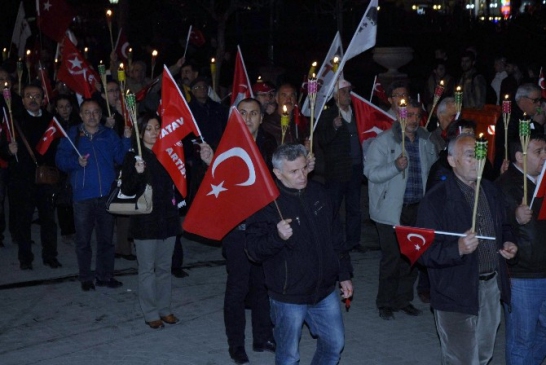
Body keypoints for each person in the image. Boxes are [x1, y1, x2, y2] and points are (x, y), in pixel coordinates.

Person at [246, 143, 353, 365]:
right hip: (289, 296)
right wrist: (277, 237)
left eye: (304, 168)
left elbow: (336, 237)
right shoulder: (266, 204)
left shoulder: (319, 193)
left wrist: (344, 273)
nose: (302, 176)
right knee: (288, 356)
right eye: (294, 171)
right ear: (277, 173)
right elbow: (253, 251)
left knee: (334, 344)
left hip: (324, 290)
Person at [416, 133, 517, 365]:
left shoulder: (491, 191)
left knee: (483, 355)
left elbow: (504, 227)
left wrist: (508, 244)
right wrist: (458, 248)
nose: (478, 161)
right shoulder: (436, 200)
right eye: (471, 156)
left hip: (490, 287)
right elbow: (424, 253)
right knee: (461, 360)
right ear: (452, 160)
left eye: (480, 155)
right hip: (455, 291)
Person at [199, 98, 277, 364]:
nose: (248, 118)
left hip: (263, 227)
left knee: (262, 286)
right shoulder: (226, 145)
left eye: (253, 113)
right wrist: (211, 163)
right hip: (237, 230)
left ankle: (262, 337)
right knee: (237, 289)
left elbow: (279, 178)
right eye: (242, 113)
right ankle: (236, 345)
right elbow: (219, 187)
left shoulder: (269, 144)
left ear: (261, 118)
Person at [364, 98, 437, 320]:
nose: (413, 120)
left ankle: (403, 299)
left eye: (417, 115)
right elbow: (371, 173)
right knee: (392, 259)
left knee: (412, 257)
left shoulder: (426, 141)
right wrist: (395, 166)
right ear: (399, 116)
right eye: (409, 115)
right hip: (391, 209)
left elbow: (433, 171)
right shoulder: (384, 142)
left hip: (418, 207)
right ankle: (385, 302)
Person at [56, 99, 132, 291]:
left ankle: (105, 275)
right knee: (83, 240)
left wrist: (126, 138)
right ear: (80, 115)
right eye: (87, 112)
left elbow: (121, 157)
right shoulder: (72, 134)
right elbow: (60, 160)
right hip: (83, 196)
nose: (92, 116)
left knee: (106, 239)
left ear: (101, 115)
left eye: (95, 112)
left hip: (106, 194)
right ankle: (86, 277)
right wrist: (76, 162)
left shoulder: (108, 134)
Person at [120, 113, 182, 329]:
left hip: (168, 218)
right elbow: (126, 189)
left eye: (157, 128)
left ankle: (165, 308)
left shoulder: (168, 153)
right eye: (149, 128)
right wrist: (137, 174)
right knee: (147, 269)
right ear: (141, 131)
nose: (154, 132)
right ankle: (150, 312)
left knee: (165, 267)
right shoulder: (133, 156)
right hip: (146, 221)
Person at [495, 134, 546, 365]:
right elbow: (495, 222)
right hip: (522, 274)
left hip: (543, 268)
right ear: (519, 156)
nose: (544, 157)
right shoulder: (505, 185)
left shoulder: (542, 180)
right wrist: (514, 216)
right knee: (522, 339)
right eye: (538, 152)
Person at [0, 83, 61, 270]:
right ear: (23, 99)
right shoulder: (13, 120)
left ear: (43, 99)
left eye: (37, 95)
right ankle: (25, 258)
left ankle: (50, 256)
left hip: (45, 178)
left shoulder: (52, 120)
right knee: (23, 221)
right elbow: (2, 148)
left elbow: (59, 147)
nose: (33, 99)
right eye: (28, 96)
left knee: (48, 221)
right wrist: (8, 151)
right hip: (22, 179)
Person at [317, 79, 362, 252]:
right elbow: (322, 140)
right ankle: (330, 240)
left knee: (354, 208)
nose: (348, 95)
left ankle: (353, 241)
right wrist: (334, 128)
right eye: (344, 92)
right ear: (335, 95)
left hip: (356, 167)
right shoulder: (328, 114)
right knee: (333, 207)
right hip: (337, 170)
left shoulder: (357, 113)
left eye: (349, 91)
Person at [53, 94, 80, 246]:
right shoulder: (53, 124)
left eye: (67, 106)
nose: (64, 110)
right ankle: (66, 230)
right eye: (61, 107)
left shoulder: (76, 123)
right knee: (63, 199)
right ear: (56, 108)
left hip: (74, 163)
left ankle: (75, 229)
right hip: (60, 165)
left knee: (74, 198)